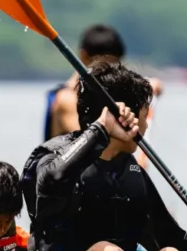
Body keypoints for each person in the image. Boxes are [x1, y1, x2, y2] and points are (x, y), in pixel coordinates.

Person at [22, 57, 187, 251]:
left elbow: (177, 242)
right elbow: (52, 181)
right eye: (145, 116)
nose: (146, 127)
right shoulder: (52, 156)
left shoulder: (129, 170)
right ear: (125, 120)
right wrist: (101, 129)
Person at [43, 24, 164, 170]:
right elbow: (94, 145)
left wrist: (146, 89)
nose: (109, 74)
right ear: (83, 56)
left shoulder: (107, 94)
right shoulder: (66, 100)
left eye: (115, 66)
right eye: (104, 66)